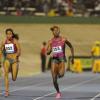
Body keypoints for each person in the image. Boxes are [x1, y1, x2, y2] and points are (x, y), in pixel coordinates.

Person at [46, 26, 74, 98]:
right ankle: (58, 92)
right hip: (54, 59)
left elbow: (71, 46)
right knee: (54, 79)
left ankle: (58, 73)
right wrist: (49, 51)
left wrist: (73, 57)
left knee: (61, 74)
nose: (55, 32)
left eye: (56, 30)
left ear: (59, 31)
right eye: (53, 31)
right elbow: (48, 52)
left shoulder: (63, 39)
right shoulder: (50, 41)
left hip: (61, 59)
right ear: (52, 32)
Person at [0, 28, 21, 97]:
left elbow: (19, 51)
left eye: (10, 34)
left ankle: (13, 69)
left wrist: (16, 56)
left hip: (14, 61)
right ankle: (7, 91)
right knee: (6, 75)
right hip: (7, 59)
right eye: (7, 34)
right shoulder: (3, 41)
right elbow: (1, 50)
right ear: (6, 34)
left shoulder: (15, 41)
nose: (9, 35)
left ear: (12, 35)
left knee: (14, 78)